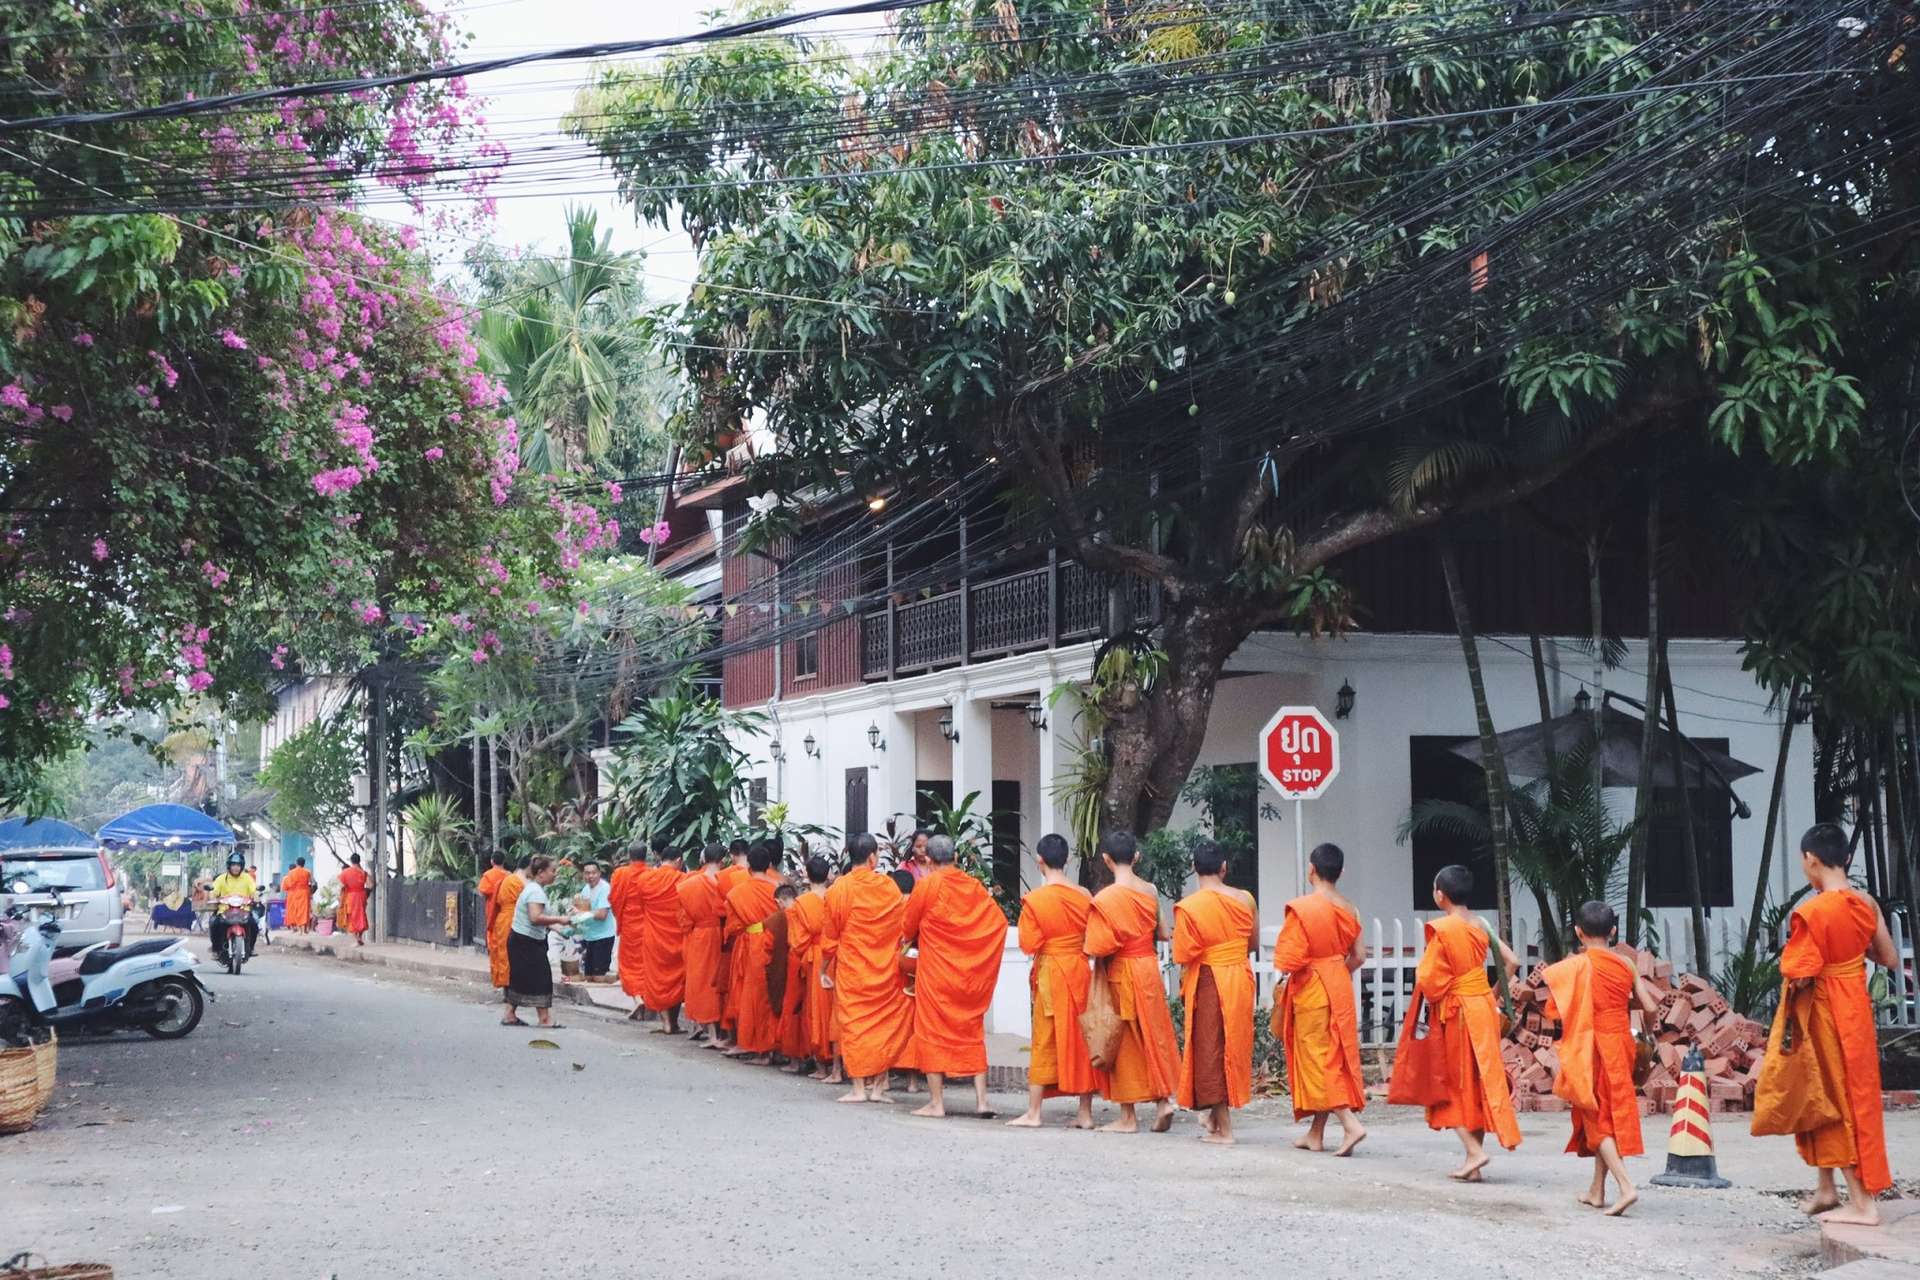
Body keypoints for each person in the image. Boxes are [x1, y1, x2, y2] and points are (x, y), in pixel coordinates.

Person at [1761, 822, 1899, 1226]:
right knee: (1834, 1093)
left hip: (1823, 1011)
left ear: (1811, 859)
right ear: (1849, 859)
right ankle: (1826, 1189)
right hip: (1855, 1005)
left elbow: (1798, 969)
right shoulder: (1866, 903)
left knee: (1833, 1098)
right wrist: (1850, 952)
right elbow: (1888, 958)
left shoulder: (1811, 911)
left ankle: (1863, 1204)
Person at [1540, 900, 1660, 1217]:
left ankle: (1626, 1186)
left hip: (1589, 1044)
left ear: (1578, 933)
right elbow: (1649, 1007)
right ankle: (1597, 1190)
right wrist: (1649, 1035)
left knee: (1595, 1117)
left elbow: (1554, 1009)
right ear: (1614, 931)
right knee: (1609, 1113)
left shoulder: (1576, 966)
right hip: (1621, 1042)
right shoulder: (1627, 965)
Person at [1403, 863, 1522, 1181]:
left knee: (1451, 1081)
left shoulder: (1444, 930)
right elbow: (1512, 962)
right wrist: (1491, 995)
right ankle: (1474, 1164)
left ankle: (1474, 1151)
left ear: (1440, 896)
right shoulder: (1481, 924)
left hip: (1458, 1013)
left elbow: (1428, 981)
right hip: (1482, 1007)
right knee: (1478, 1079)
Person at [1273, 842, 1368, 1156]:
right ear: (1340, 872)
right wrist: (1336, 970)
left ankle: (1350, 1123)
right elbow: (1358, 957)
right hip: (1338, 982)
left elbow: (1289, 960)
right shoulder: (1350, 907)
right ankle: (1316, 1134)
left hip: (1312, 985)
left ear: (1311, 870)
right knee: (1332, 1056)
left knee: (1316, 1058)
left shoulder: (1304, 908)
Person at [901, 835, 1005, 1119]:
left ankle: (936, 1103)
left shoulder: (928, 885)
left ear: (928, 860)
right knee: (972, 1031)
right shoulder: (972, 886)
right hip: (969, 975)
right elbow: (996, 922)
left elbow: (908, 925)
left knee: (932, 1031)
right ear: (956, 858)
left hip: (937, 973)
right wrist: (978, 954)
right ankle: (982, 1101)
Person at [1085, 830, 1179, 1134]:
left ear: (1106, 860)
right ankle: (1164, 1100)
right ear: (1136, 857)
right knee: (1153, 1033)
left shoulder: (1106, 898)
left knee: (1124, 1041)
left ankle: (1128, 1117)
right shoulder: (1149, 890)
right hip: (1148, 967)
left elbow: (1097, 946)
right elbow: (1163, 933)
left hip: (1122, 970)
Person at [1009, 833, 1103, 1129]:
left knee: (1045, 1039)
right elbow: (1093, 936)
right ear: (1068, 860)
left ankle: (1034, 1112)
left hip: (1051, 971)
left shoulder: (1035, 901)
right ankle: (1085, 1113)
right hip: (1078, 970)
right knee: (1082, 1037)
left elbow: (1029, 943)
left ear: (1040, 862)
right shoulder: (1084, 896)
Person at [1173, 840, 1257, 1145]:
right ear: (1224, 868)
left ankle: (1225, 1131)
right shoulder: (1245, 899)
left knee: (1211, 1050)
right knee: (1233, 1045)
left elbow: (1183, 953)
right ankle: (1212, 1119)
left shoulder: (1190, 907)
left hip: (1209, 978)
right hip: (1240, 976)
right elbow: (1253, 944)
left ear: (1194, 868)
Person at [825, 832, 915, 1103]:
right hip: (884, 967)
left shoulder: (839, 888)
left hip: (853, 967)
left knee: (853, 1025)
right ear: (873, 857)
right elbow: (903, 925)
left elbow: (830, 936)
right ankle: (878, 1088)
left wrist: (822, 970)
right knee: (884, 1024)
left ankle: (858, 1089)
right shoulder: (888, 887)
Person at [723, 843, 785, 1064]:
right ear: (769, 865)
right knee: (774, 994)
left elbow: (731, 927)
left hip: (752, 946)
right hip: (777, 943)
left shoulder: (737, 893)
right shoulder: (778, 888)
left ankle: (762, 1049)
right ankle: (774, 1046)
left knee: (755, 997)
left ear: (748, 866)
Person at [788, 854, 841, 1083]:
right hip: (838, 955)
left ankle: (822, 1066)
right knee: (836, 1009)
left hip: (817, 957)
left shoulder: (802, 902)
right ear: (828, 874)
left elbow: (797, 941)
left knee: (816, 1009)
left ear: (807, 875)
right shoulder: (836, 896)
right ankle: (839, 1065)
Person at [504, 855, 571, 1029]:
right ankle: (544, 1018)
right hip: (526, 941)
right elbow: (535, 917)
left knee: (520, 978)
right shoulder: (535, 891)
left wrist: (558, 929)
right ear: (541, 873)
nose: (555, 875)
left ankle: (509, 1014)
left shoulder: (534, 888)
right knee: (541, 978)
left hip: (522, 939)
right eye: (552, 871)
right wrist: (561, 919)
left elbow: (537, 919)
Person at [676, 843, 729, 1046]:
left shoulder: (690, 883)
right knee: (718, 980)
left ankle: (711, 1032)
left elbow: (683, 919)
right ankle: (719, 1034)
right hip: (722, 934)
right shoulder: (725, 881)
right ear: (722, 861)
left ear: (702, 859)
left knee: (702, 981)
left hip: (699, 936)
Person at [635, 839, 688, 1033]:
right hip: (677, 936)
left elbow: (642, 906)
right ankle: (672, 1023)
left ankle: (666, 1023)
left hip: (654, 935)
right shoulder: (683, 880)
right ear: (679, 861)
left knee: (658, 978)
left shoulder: (645, 879)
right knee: (675, 980)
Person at [716, 839, 752, 1040]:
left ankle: (733, 1036)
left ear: (731, 855)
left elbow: (719, 910)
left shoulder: (724, 877)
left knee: (734, 987)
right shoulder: (771, 878)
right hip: (763, 937)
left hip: (734, 938)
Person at [609, 845, 649, 1011]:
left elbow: (614, 898)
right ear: (646, 856)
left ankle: (638, 998)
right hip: (648, 924)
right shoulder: (651, 874)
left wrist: (619, 915)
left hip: (629, 925)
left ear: (629, 855)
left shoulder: (621, 874)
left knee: (629, 964)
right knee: (646, 963)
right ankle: (645, 997)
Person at [207, 853, 259, 965]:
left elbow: (254, 890)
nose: (236, 867)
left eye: (238, 865)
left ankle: (252, 947)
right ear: (229, 866)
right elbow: (214, 891)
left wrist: (256, 896)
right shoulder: (221, 878)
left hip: (244, 910)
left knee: (254, 923)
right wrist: (213, 895)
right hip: (224, 910)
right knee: (214, 923)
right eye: (233, 865)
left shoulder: (247, 878)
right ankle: (216, 949)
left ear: (242, 866)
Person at [488, 859, 527, 995]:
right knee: (508, 953)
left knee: (504, 953)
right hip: (513, 918)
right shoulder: (516, 881)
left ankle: (508, 988)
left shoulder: (508, 879)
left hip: (504, 919)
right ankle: (510, 988)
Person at [572, 860, 615, 983]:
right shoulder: (585, 889)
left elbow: (602, 914)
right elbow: (583, 911)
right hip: (589, 937)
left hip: (603, 937)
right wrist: (574, 913)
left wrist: (582, 914)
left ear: (599, 873)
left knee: (599, 977)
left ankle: (619, 978)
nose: (590, 876)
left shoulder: (605, 888)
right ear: (583, 875)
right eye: (587, 873)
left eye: (593, 873)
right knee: (589, 977)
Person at [337, 852, 371, 946]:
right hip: (361, 895)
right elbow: (370, 885)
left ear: (351, 861)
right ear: (359, 861)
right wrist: (366, 893)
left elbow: (341, 886)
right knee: (361, 915)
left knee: (351, 917)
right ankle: (359, 936)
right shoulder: (363, 872)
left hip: (351, 896)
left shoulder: (345, 872)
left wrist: (341, 897)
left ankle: (357, 939)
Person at [476, 852, 507, 954]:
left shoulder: (488, 875)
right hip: (507, 911)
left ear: (492, 861)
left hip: (493, 910)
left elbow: (481, 891)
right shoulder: (510, 876)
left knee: (493, 933)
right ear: (503, 861)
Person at [282, 857, 314, 933]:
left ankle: (299, 929)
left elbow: (289, 885)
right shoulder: (307, 872)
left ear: (297, 863)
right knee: (305, 910)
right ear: (304, 863)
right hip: (305, 892)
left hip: (295, 893)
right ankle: (305, 928)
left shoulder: (291, 873)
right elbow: (311, 882)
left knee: (296, 910)